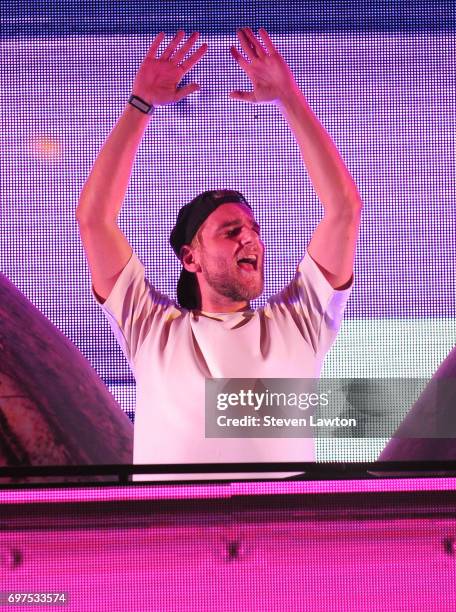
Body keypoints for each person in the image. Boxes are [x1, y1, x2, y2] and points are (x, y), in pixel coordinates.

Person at [76, 28, 362, 480]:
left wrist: (289, 96)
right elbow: (94, 219)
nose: (251, 239)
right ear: (190, 258)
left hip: (285, 541)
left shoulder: (301, 320)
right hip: (174, 541)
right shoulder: (150, 329)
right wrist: (139, 104)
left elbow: (343, 210)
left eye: (253, 229)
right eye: (231, 231)